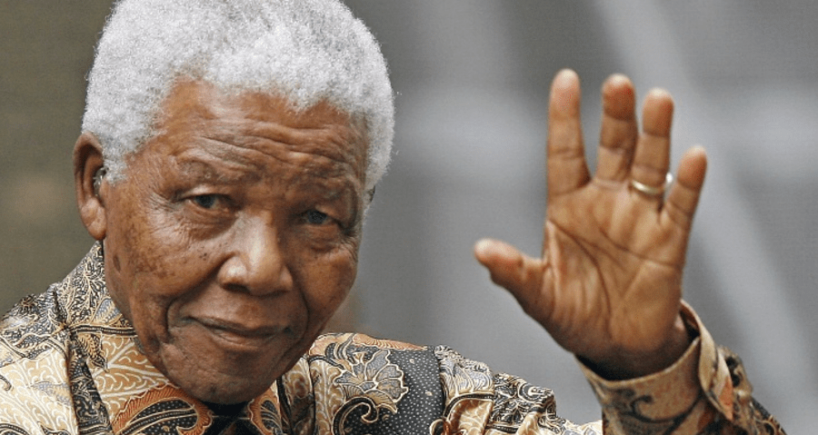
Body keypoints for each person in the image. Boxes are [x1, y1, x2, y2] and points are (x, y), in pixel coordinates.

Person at [0, 1, 785, 434]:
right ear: (98, 185)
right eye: (209, 203)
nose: (263, 267)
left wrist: (647, 365)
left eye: (317, 218)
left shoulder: (406, 408)